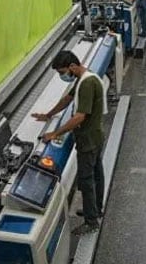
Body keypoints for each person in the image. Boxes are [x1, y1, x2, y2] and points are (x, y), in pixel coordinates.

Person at [31, 50, 108, 235]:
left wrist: (55, 133)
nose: (62, 76)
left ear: (72, 66)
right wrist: (48, 114)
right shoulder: (84, 78)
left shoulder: (87, 83)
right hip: (94, 136)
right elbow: (67, 99)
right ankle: (96, 209)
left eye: (62, 72)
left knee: (87, 179)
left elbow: (80, 116)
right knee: (97, 173)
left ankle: (91, 221)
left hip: (89, 140)